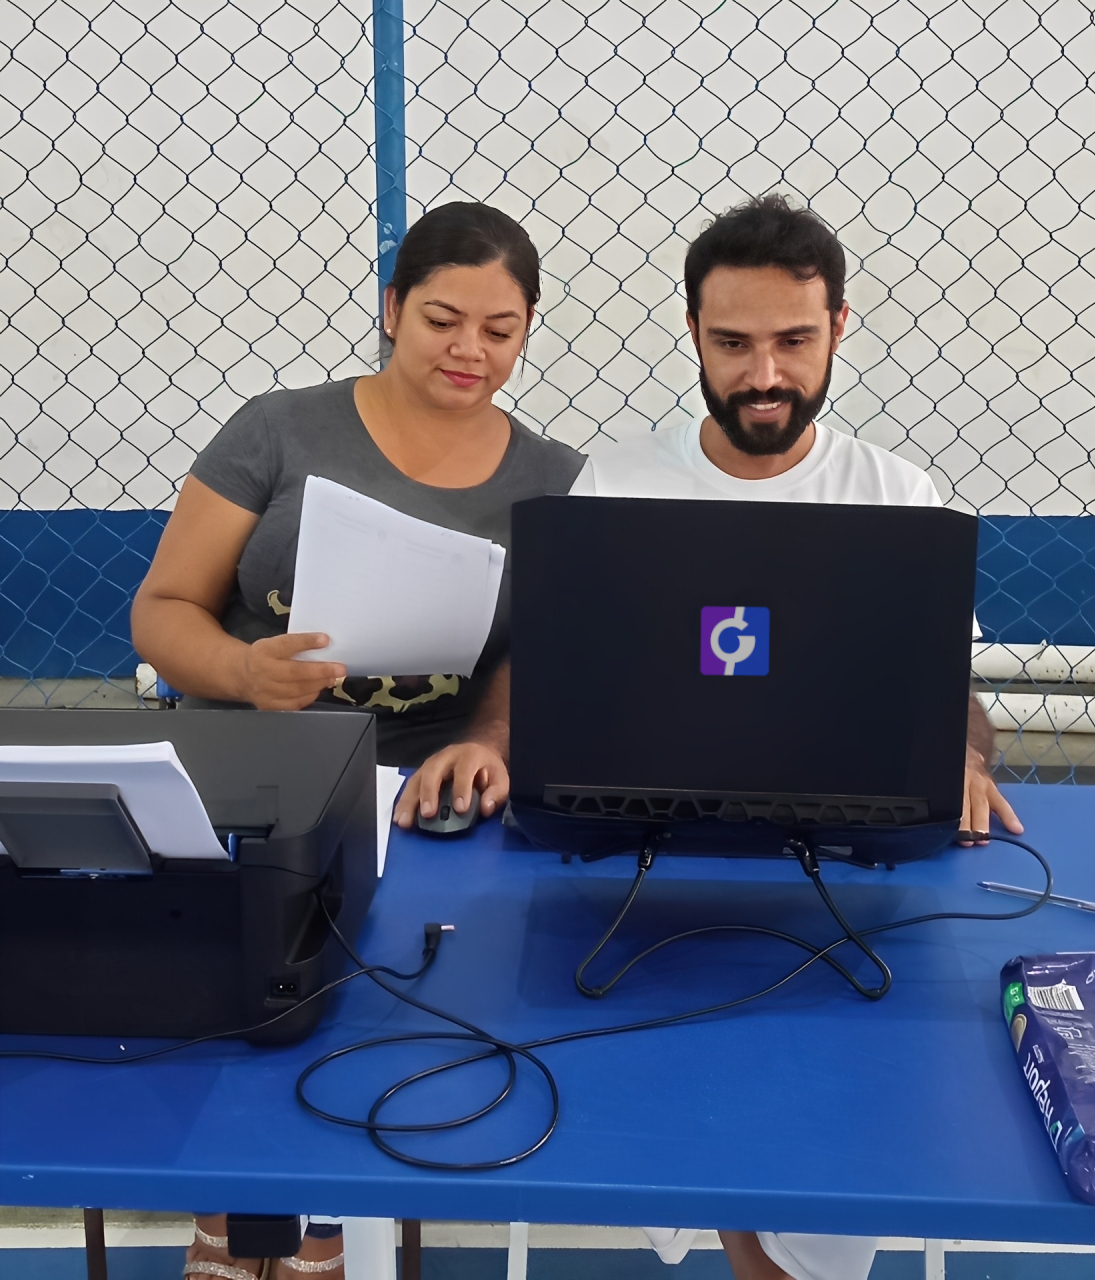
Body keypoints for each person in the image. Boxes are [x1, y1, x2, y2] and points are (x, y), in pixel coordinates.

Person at [571, 193, 1022, 1280]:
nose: (762, 374)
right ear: (691, 333)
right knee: (698, 1119)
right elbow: (564, 684)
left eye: (791, 341)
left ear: (838, 328)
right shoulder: (612, 485)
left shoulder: (896, 495)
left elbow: (951, 694)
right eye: (731, 343)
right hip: (645, 867)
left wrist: (960, 757)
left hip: (849, 874)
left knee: (826, 1149)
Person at [131, 201, 585, 1280]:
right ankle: (236, 1215)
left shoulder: (556, 477)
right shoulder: (277, 429)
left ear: (526, 334)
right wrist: (242, 670)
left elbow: (540, 658)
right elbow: (162, 607)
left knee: (392, 999)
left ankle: (328, 1215)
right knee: (239, 984)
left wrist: (486, 737)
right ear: (390, 309)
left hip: (418, 791)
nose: (469, 349)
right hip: (248, 763)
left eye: (500, 328)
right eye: (441, 318)